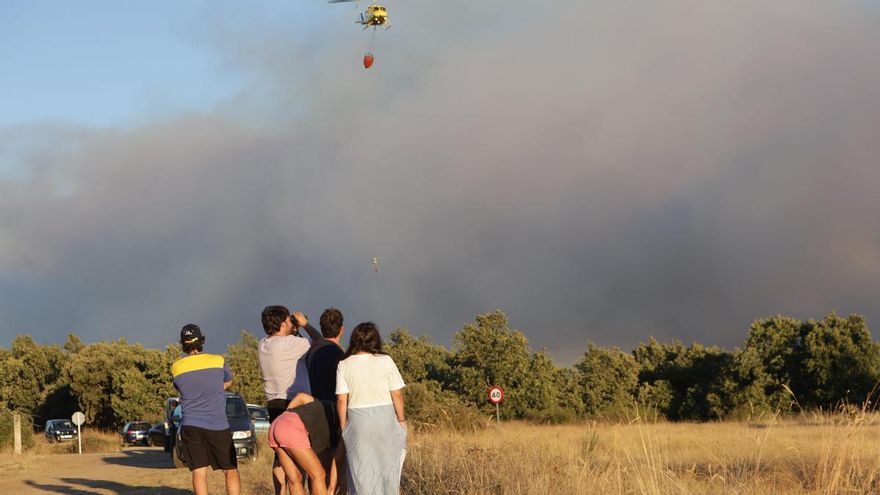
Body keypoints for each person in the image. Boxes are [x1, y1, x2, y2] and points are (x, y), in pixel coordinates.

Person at [336, 322, 407, 494]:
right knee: (388, 466)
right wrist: (401, 419)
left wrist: (344, 425)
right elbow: (397, 394)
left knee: (361, 470)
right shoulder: (386, 360)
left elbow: (341, 400)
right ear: (375, 340)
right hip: (385, 418)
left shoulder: (344, 364)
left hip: (357, 420)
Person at [258, 305, 322, 495]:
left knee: (282, 459)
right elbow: (320, 342)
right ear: (283, 323)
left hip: (273, 405)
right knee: (302, 462)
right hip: (294, 405)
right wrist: (304, 325)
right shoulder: (290, 344)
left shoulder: (263, 344)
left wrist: (293, 328)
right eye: (288, 319)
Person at [171, 324, 240, 495]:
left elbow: (179, 388)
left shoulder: (176, 367)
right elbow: (229, 380)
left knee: (199, 472)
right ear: (201, 340)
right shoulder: (218, 360)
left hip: (191, 425)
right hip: (217, 424)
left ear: (183, 343)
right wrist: (219, 387)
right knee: (230, 469)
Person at [268, 393, 342, 495]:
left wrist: (287, 414)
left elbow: (301, 396)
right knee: (318, 474)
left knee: (294, 479)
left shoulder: (326, 405)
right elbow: (331, 462)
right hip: (291, 427)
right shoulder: (335, 423)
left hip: (277, 424)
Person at [305, 307, 346, 401]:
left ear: (322, 328)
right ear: (342, 330)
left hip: (313, 404)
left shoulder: (311, 350)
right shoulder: (339, 355)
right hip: (332, 405)